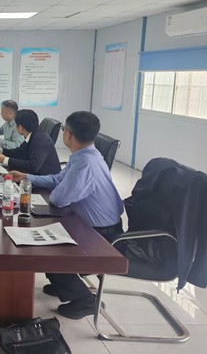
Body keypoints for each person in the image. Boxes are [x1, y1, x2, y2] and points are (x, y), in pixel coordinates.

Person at [8, 111, 123, 320]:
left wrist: (54, 187)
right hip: (91, 224)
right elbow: (57, 179)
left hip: (100, 234)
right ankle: (63, 282)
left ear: (68, 134)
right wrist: (26, 177)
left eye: (64, 130)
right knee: (43, 230)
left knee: (46, 248)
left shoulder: (85, 164)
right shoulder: (85, 155)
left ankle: (85, 300)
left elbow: (59, 198)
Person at [0, 109, 61, 175]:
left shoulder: (40, 140)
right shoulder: (32, 134)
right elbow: (19, 152)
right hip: (37, 173)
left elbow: (33, 166)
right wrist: (1, 150)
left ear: (21, 127)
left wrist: (5, 160)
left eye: (16, 125)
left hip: (46, 178)